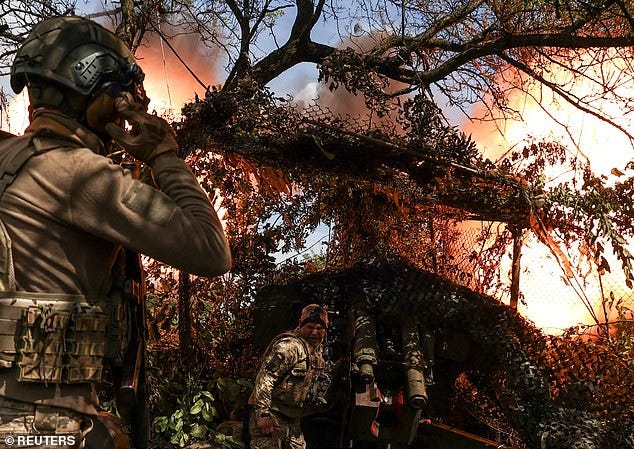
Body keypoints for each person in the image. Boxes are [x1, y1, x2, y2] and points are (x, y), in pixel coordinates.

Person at [0, 15, 231, 449]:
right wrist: (164, 155)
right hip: (43, 424)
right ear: (95, 94)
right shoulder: (85, 177)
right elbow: (211, 250)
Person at [249, 304, 332, 449]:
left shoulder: (317, 351)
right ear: (300, 323)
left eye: (319, 329)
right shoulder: (290, 347)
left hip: (292, 421)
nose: (314, 333)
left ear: (326, 327)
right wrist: (263, 414)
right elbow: (265, 378)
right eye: (310, 327)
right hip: (272, 416)